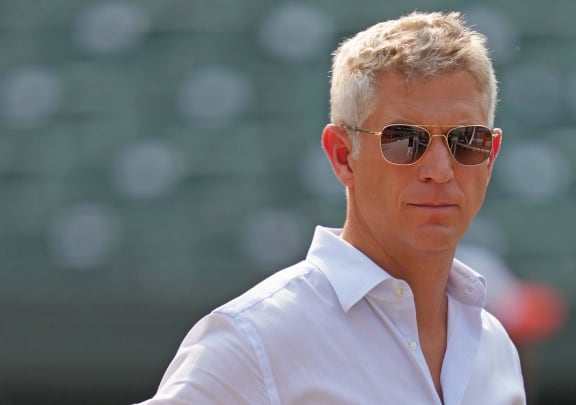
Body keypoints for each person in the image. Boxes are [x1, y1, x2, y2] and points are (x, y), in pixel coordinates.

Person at [139, 11, 525, 405]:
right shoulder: (255, 340)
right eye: (405, 139)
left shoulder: (495, 351)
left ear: (491, 155)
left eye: (466, 140)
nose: (440, 170)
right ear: (343, 155)